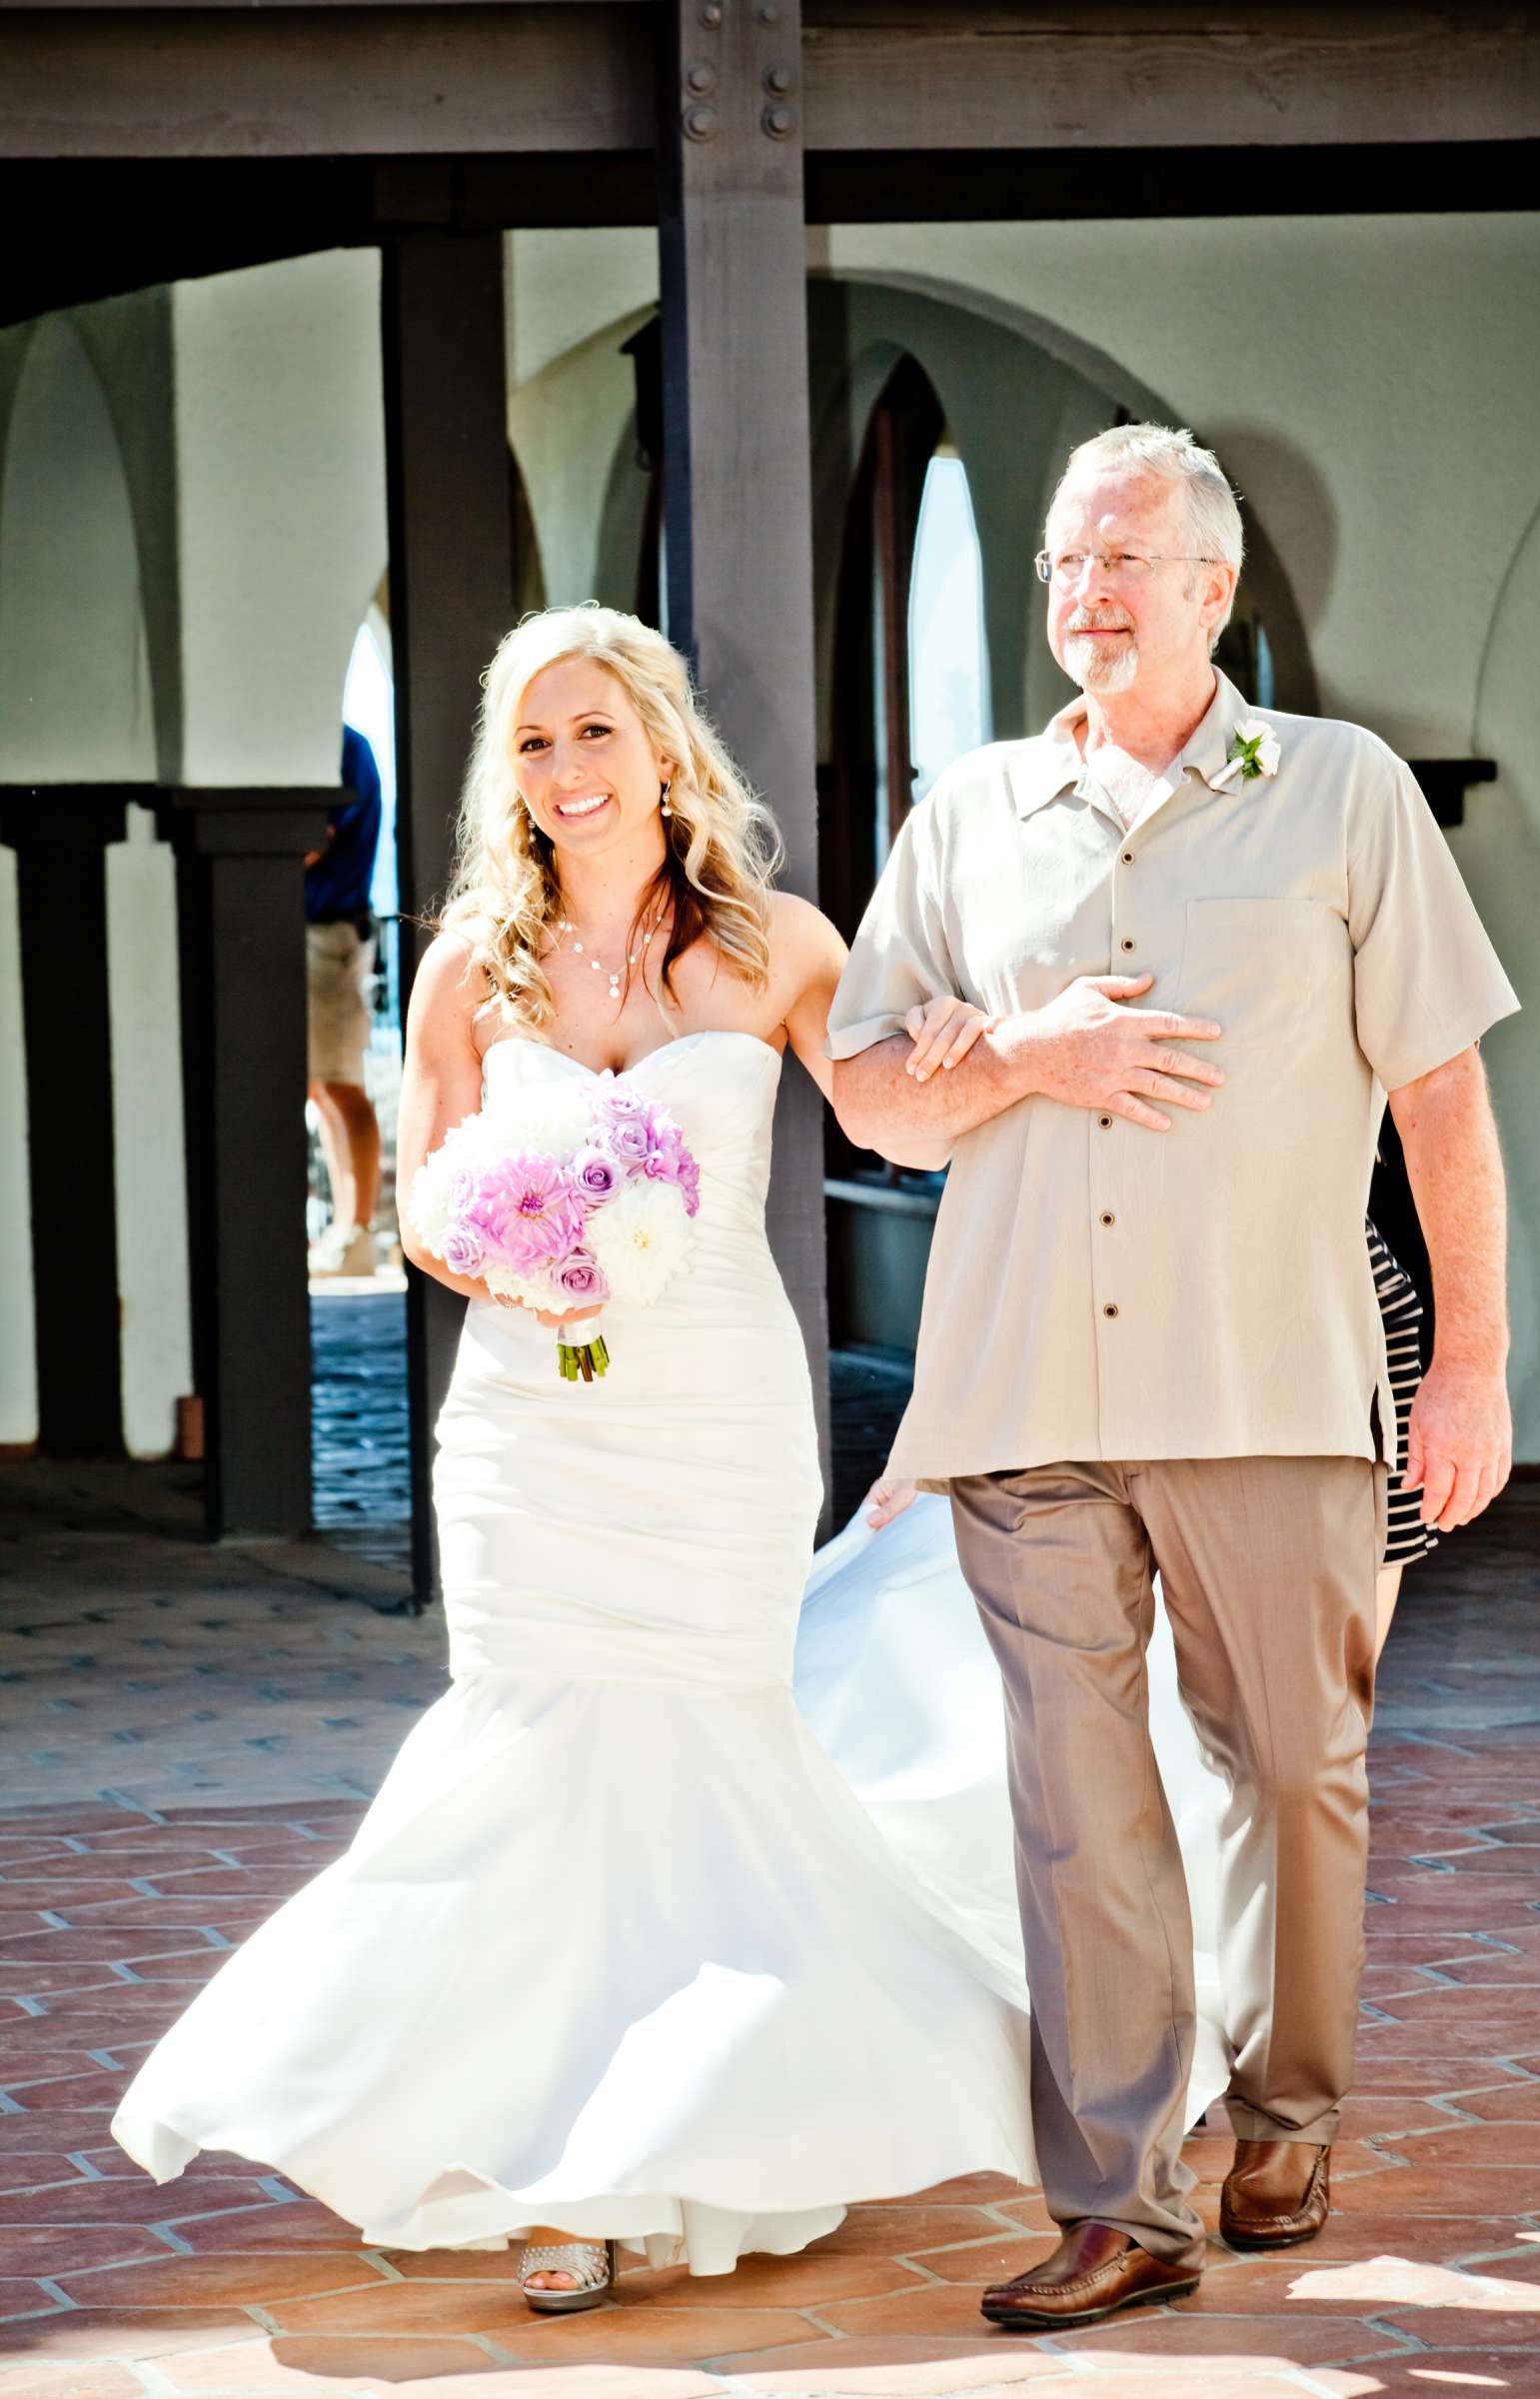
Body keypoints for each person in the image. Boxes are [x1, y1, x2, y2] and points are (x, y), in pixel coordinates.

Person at [107, 604, 1234, 2313]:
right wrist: (517, 1250)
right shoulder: (474, 962)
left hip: (710, 1415)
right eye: (535, 744)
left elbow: (895, 1115)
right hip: (527, 1426)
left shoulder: (779, 944)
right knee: (534, 1763)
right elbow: (419, 1202)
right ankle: (565, 2180)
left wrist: (1036, 1054)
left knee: (699, 1754)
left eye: (596, 733)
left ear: (663, 747)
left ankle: (676, 2148)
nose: (568, 772)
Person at [827, 421, 1519, 2329]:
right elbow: (873, 1089)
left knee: (1298, 1774)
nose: (1088, 591)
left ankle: (1289, 2105)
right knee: (1079, 1805)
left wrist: (1469, 1366)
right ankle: (1121, 2200)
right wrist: (1023, 1055)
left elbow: (1442, 1095)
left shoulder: (1346, 792)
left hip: (1272, 1388)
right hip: (1025, 1395)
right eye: (1063, 560)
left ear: (1216, 589)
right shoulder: (965, 814)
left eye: (1127, 558)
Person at [306, 724, 384, 1276]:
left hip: (332, 934)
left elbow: (307, 844)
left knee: (341, 1083)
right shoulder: (335, 743)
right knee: (321, 1086)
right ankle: (344, 1231)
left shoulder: (340, 747)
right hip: (314, 929)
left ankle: (357, 1234)